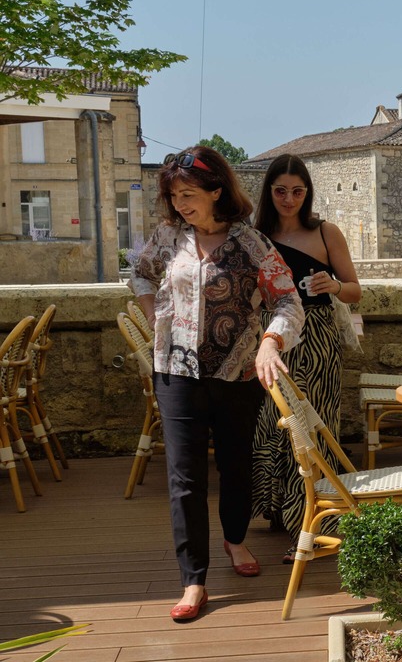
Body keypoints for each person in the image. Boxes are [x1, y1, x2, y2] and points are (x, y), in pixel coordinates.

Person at [131, 146, 304, 622]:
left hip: (237, 375)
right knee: (184, 478)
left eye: (189, 194)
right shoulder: (167, 237)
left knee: (236, 465)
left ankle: (235, 538)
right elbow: (140, 275)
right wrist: (152, 313)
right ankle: (193, 579)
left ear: (216, 191)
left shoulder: (251, 243)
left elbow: (289, 303)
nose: (180, 204)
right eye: (174, 195)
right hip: (175, 373)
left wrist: (270, 342)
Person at [250, 154, 362, 563]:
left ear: (307, 192)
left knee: (312, 428)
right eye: (281, 190)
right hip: (272, 341)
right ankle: (283, 512)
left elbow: (355, 290)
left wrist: (332, 285)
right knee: (273, 425)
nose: (289, 199)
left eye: (297, 191)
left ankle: (315, 527)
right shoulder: (255, 235)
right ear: (269, 191)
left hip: (316, 340)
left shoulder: (325, 231)